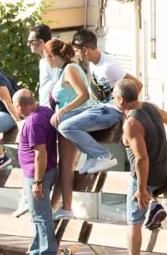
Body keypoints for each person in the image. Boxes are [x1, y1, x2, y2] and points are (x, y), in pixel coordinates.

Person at [58, 28, 143, 175]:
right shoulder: (93, 63)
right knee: (60, 119)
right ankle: (92, 155)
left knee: (66, 127)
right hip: (99, 107)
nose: (76, 54)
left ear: (85, 50)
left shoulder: (109, 66)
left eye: (77, 51)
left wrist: (127, 111)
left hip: (111, 111)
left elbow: (137, 84)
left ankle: (103, 154)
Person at [113, 79, 167, 255]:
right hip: (166, 169)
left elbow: (141, 159)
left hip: (147, 176)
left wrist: (141, 189)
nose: (113, 99)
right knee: (143, 207)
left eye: (114, 96)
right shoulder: (150, 107)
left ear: (121, 99)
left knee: (133, 223)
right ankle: (155, 206)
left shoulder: (131, 123)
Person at [45, 39, 96, 220]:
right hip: (67, 120)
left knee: (66, 166)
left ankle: (66, 207)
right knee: (64, 166)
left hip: (72, 120)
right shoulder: (63, 71)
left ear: (51, 56)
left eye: (46, 56)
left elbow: (84, 94)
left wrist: (63, 111)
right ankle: (54, 206)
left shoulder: (70, 69)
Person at [13, 89, 59, 255]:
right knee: (35, 215)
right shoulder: (45, 111)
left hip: (37, 174)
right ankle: (36, 251)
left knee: (40, 216)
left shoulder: (33, 121)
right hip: (41, 172)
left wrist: (37, 182)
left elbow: (40, 152)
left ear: (20, 106)